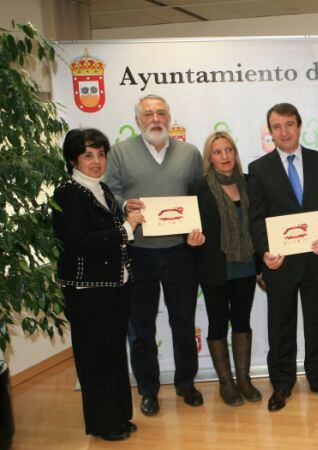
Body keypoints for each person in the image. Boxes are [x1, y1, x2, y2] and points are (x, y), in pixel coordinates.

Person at [104, 94, 206, 416]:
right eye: (148, 114)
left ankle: (186, 383)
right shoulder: (120, 153)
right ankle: (148, 390)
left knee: (183, 324)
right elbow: (110, 193)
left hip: (180, 253)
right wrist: (124, 206)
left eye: (161, 112)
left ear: (169, 117)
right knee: (141, 329)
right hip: (139, 253)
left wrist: (197, 228)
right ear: (138, 120)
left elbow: (198, 198)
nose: (155, 119)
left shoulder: (189, 154)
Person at [247, 103, 318, 412]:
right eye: (277, 126)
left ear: (299, 126)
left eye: (289, 124)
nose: (284, 132)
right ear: (270, 131)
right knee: (281, 326)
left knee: (317, 324)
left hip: (316, 260)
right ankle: (282, 384)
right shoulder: (259, 169)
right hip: (281, 263)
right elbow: (256, 219)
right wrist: (264, 253)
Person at [53, 128, 143, 441]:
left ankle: (119, 415)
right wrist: (126, 229)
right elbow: (79, 242)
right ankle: (103, 424)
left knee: (114, 354)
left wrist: (126, 218)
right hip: (87, 292)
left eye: (101, 154)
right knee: (95, 359)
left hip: (114, 288)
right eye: (88, 155)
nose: (96, 161)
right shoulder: (68, 192)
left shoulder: (101, 188)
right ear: (73, 159)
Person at [189, 131, 261, 406]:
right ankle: (226, 383)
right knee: (218, 323)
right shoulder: (199, 188)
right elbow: (191, 228)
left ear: (235, 153)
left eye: (228, 150)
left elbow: (257, 223)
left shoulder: (248, 183)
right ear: (210, 157)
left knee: (242, 321)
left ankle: (243, 379)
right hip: (215, 268)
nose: (224, 156)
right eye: (218, 152)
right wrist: (191, 240)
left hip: (245, 265)